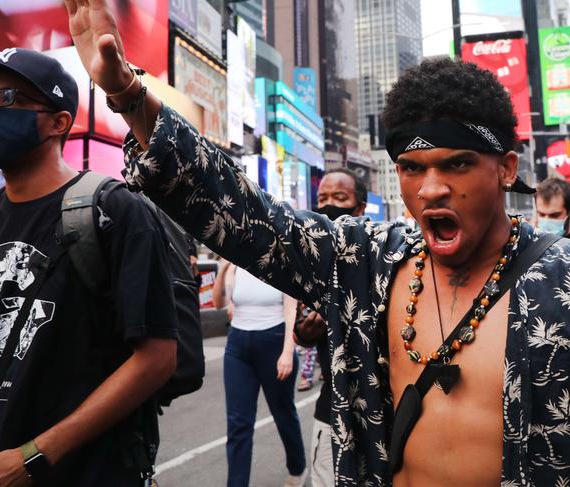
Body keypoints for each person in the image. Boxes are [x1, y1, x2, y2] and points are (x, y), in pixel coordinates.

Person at [66, 2, 570, 485]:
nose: (432, 188)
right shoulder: (366, 261)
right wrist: (129, 94)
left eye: (457, 163)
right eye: (413, 169)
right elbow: (247, 215)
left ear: (506, 168)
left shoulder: (559, 282)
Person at [0, 47, 178, 486]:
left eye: (4, 99)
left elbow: (156, 358)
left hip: (94, 472)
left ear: (58, 123)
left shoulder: (114, 211)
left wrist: (33, 458)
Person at [294, 168, 367, 487]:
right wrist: (306, 331)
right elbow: (301, 331)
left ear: (360, 208)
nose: (329, 206)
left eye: (340, 198)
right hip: (330, 408)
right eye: (322, 198)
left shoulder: (382, 258)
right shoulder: (312, 262)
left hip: (379, 410)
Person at [213, 260, 306, 487]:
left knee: (283, 413)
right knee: (238, 422)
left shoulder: (280, 262)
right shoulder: (235, 264)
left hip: (274, 342)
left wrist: (287, 351)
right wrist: (224, 268)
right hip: (238, 345)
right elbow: (218, 304)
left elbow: (290, 307)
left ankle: (297, 469)